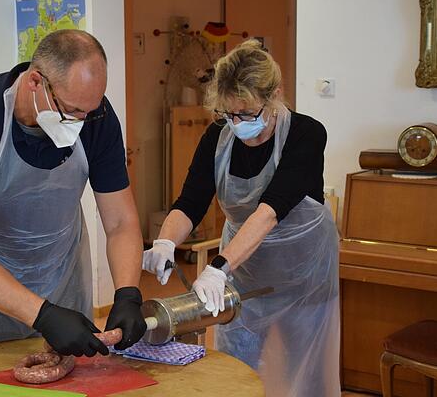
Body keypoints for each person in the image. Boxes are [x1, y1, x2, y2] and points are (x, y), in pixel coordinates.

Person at [0, 30, 146, 357]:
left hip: (61, 277)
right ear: (35, 83)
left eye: (89, 111)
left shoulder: (95, 117)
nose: (81, 122)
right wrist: (43, 315)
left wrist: (128, 294)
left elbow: (120, 222)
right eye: (70, 111)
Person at [142, 39, 340, 396]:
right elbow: (190, 201)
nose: (237, 124)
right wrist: (166, 240)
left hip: (303, 272)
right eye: (227, 114)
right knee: (236, 366)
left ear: (276, 94)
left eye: (247, 114)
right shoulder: (218, 136)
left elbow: (270, 210)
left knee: (306, 371)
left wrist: (219, 267)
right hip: (243, 269)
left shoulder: (306, 134)